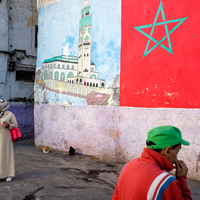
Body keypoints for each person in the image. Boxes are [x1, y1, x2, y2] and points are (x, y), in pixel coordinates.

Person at [112, 125, 192, 200]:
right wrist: (182, 179)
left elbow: (115, 197)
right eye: (177, 152)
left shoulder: (126, 167)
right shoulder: (167, 182)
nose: (176, 159)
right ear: (167, 150)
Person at [0, 100, 18, 182]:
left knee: (7, 155)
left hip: (6, 138)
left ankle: (9, 174)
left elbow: (15, 125)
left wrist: (8, 125)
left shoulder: (9, 114)